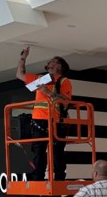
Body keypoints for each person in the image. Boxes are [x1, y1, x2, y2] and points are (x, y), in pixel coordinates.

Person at [16, 46, 73, 181]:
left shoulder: (63, 81)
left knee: (57, 150)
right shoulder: (42, 78)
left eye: (52, 61)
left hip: (55, 121)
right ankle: (38, 177)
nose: (48, 62)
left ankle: (59, 177)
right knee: (38, 151)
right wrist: (23, 58)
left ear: (58, 65)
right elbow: (20, 74)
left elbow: (66, 102)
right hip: (39, 120)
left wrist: (48, 93)